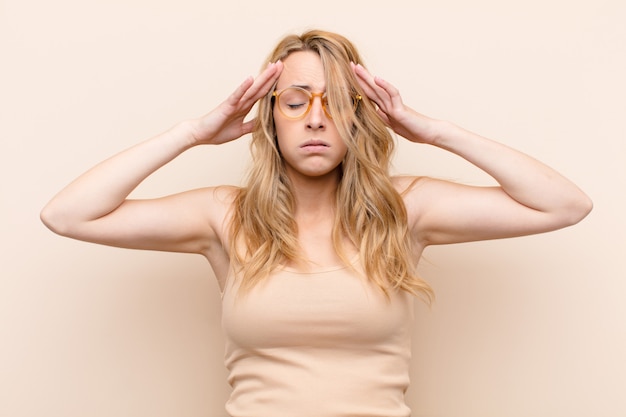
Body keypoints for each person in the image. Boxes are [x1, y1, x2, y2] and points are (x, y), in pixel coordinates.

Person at [40, 30, 592, 417]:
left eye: (338, 102)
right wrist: (193, 132)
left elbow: (564, 205)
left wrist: (434, 131)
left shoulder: (404, 211)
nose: (316, 118)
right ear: (269, 116)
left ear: (360, 115)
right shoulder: (224, 216)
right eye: (296, 100)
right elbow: (67, 215)